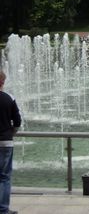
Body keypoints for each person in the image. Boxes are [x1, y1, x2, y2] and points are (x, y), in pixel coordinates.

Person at [0, 71, 21, 214]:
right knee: (4, 177)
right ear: (2, 82)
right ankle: (3, 209)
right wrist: (12, 131)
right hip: (5, 141)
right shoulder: (9, 98)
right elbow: (18, 121)